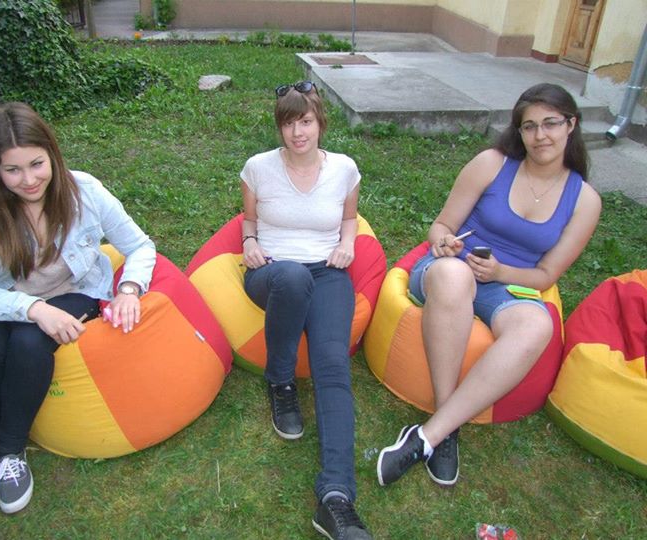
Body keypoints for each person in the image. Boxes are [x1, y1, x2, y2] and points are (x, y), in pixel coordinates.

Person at [376, 83, 601, 488]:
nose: (540, 135)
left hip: (507, 283)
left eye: (550, 123)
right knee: (454, 275)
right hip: (450, 269)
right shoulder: (492, 164)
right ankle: (447, 420)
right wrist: (443, 241)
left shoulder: (584, 200)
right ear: (519, 131)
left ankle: (430, 434)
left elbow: (546, 275)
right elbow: (441, 225)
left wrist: (500, 273)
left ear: (571, 125)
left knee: (538, 326)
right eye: (529, 126)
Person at [0, 102, 156, 514]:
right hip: (11, 295)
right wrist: (33, 307)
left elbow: (140, 246)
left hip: (74, 290)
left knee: (29, 342)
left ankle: (11, 449)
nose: (28, 180)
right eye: (12, 170)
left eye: (37, 164)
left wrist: (129, 289)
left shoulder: (85, 190)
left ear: (52, 154)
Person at [240, 81, 371, 540]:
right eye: (288, 123)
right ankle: (280, 380)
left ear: (320, 123)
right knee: (293, 277)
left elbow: (349, 218)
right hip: (273, 272)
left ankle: (336, 498)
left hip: (328, 272)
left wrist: (348, 244)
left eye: (306, 122)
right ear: (279, 127)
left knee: (333, 365)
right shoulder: (257, 167)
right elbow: (249, 219)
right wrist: (249, 241)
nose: (298, 132)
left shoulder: (344, 169)